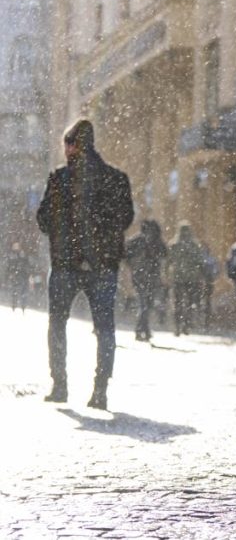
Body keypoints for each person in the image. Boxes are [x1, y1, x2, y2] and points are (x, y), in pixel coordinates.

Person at [36, 119, 134, 410]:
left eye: (67, 144)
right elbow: (126, 218)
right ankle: (100, 389)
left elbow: (43, 220)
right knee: (104, 328)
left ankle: (60, 385)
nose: (65, 150)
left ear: (73, 145)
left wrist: (63, 232)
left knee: (57, 324)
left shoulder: (59, 179)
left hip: (66, 263)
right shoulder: (117, 178)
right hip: (103, 265)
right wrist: (102, 237)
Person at [125, 219, 167, 341]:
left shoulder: (137, 240)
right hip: (151, 277)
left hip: (140, 276)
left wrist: (134, 266)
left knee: (144, 304)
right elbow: (164, 254)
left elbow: (126, 256)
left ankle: (143, 328)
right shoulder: (156, 241)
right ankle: (143, 329)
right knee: (147, 304)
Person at [167, 222, 206, 337]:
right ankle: (186, 325)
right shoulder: (194, 245)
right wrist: (202, 276)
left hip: (178, 277)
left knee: (177, 302)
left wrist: (166, 274)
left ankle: (178, 326)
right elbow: (200, 262)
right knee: (189, 302)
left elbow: (168, 261)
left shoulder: (174, 244)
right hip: (191, 278)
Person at [200, 241, 219, 332]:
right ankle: (205, 322)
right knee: (207, 302)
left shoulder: (202, 259)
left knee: (204, 302)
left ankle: (204, 321)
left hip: (202, 282)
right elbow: (216, 271)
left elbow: (216, 271)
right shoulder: (211, 259)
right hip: (207, 282)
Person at [7, 242, 31, 312]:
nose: (15, 248)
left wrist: (27, 273)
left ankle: (22, 306)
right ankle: (15, 305)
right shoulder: (13, 255)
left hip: (22, 275)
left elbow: (26, 263)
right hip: (16, 275)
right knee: (15, 291)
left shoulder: (22, 254)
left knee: (22, 291)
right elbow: (10, 265)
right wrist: (10, 273)